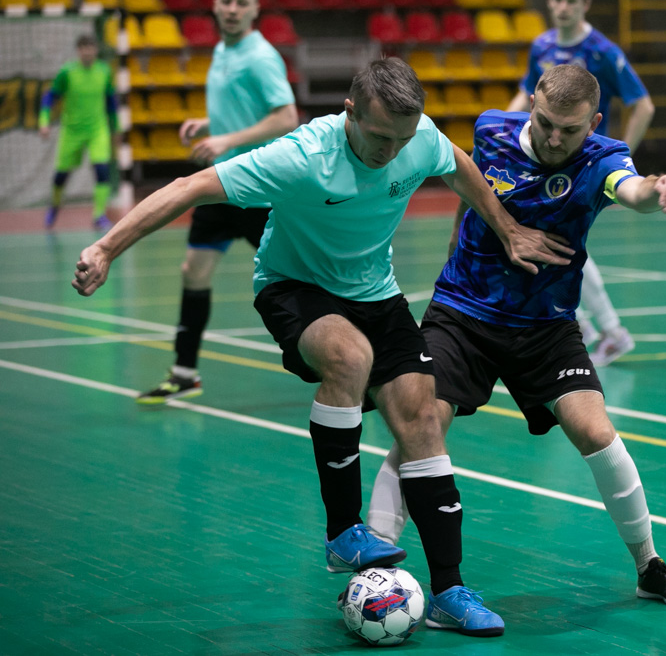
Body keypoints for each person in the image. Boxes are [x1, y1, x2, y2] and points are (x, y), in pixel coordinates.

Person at [73, 57, 575, 637]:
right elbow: (189, 189)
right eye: (380, 136)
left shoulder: (416, 138)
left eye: (402, 139)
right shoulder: (301, 156)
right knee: (349, 356)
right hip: (294, 286)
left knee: (421, 418)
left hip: (375, 293)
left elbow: (458, 164)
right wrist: (106, 249)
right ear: (350, 111)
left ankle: (449, 591)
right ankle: (343, 532)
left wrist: (507, 228)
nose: (391, 151)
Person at [367, 64, 666, 608]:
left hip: (546, 325)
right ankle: (375, 564)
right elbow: (468, 185)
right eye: (545, 123)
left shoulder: (601, 160)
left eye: (569, 130)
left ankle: (649, 566)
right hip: (463, 312)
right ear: (532, 108)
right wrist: (461, 238)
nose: (553, 138)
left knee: (596, 432)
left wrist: (658, 187)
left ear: (593, 123)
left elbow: (633, 191)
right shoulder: (491, 129)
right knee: (421, 423)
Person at [510, 0, 666, 366]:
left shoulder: (602, 51)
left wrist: (619, 157)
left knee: (560, 244)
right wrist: (501, 130)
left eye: (571, 1)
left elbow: (643, 105)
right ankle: (588, 327)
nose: (563, 7)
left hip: (582, 166)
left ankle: (605, 331)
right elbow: (525, 94)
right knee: (553, 243)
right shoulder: (542, 46)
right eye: (557, 0)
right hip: (546, 161)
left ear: (586, 4)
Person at [137, 0, 299, 404]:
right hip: (221, 185)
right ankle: (184, 373)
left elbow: (286, 117)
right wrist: (211, 124)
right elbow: (246, 108)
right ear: (214, 5)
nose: (232, 9)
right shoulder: (224, 49)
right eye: (226, 1)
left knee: (304, 278)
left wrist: (226, 139)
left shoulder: (260, 56)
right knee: (193, 271)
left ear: (255, 9)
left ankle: (360, 358)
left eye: (241, 3)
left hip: (259, 191)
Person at [39, 34, 119, 232]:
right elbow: (50, 96)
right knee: (61, 175)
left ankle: (99, 215)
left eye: (90, 48)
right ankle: (55, 206)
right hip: (71, 131)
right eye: (83, 48)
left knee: (102, 170)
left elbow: (111, 102)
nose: (87, 52)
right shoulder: (67, 72)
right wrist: (44, 121)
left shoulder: (104, 71)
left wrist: (116, 128)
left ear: (96, 50)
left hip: (97, 129)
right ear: (78, 51)